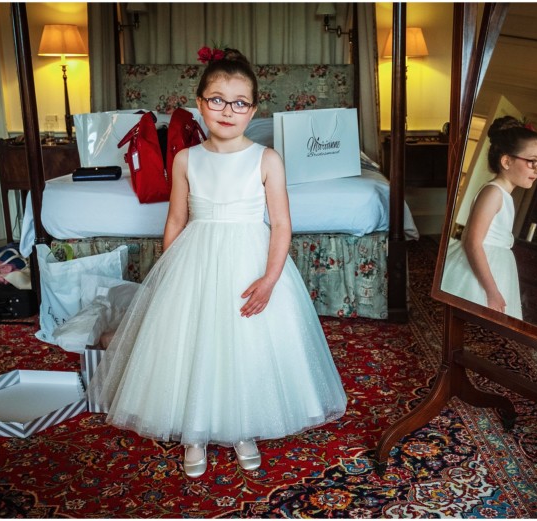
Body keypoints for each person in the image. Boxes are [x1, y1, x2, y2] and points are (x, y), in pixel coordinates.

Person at [88, 48, 347, 478]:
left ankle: (241, 425)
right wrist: (171, 278)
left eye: (240, 102)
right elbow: (175, 219)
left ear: (254, 109)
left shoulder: (266, 159)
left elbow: (281, 224)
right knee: (194, 347)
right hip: (196, 260)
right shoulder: (186, 159)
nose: (228, 111)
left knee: (243, 345)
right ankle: (195, 432)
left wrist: (269, 279)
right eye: (217, 100)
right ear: (200, 102)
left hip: (250, 263)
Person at [440, 115, 537, 320]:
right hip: (481, 270)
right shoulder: (493, 192)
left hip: (498, 266)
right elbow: (472, 242)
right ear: (506, 160)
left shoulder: (504, 195)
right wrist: (492, 291)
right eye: (532, 162)